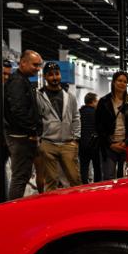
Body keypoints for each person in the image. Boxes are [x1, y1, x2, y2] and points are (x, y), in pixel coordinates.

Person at [34, 62, 81, 191]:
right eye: (50, 75)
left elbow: (76, 117)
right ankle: (51, 204)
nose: (54, 77)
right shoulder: (39, 96)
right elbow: (36, 118)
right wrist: (39, 140)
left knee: (75, 179)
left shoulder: (69, 96)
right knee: (51, 180)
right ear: (45, 77)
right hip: (48, 143)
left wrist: (76, 139)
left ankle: (79, 203)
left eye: (57, 74)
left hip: (68, 143)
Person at [5, 49, 43, 199]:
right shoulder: (17, 82)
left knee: (22, 176)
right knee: (20, 177)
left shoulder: (22, 80)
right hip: (20, 136)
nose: (38, 68)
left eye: (39, 65)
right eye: (35, 65)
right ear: (23, 63)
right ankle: (13, 210)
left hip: (22, 135)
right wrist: (32, 130)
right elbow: (18, 111)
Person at [95, 71, 128, 180]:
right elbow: (98, 126)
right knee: (108, 177)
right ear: (114, 82)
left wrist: (125, 143)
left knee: (125, 179)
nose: (122, 83)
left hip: (127, 146)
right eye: (119, 80)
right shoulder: (103, 101)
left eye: (125, 82)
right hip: (108, 146)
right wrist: (111, 144)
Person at [78, 92, 100, 184]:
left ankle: (84, 185)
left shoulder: (79, 112)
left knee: (84, 167)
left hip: (82, 144)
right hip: (95, 144)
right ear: (93, 101)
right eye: (97, 101)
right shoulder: (97, 113)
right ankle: (97, 185)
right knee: (97, 167)